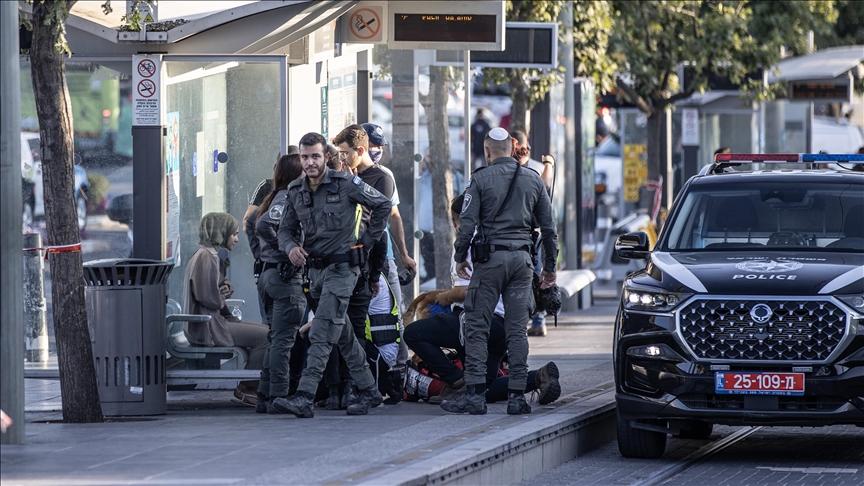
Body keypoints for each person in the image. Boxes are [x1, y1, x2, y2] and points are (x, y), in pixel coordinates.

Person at [271, 132, 391, 418]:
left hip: (343, 269)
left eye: (315, 156)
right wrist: (290, 248)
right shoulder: (296, 191)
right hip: (315, 271)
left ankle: (304, 395)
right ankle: (369, 390)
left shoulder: (346, 183)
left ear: (326, 156)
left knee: (323, 330)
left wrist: (368, 242)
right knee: (343, 333)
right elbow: (285, 230)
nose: (310, 162)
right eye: (304, 157)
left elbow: (383, 205)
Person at [404, 195, 561, 405]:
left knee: (413, 334)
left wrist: (445, 297)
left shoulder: (467, 242)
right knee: (481, 390)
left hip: (477, 323)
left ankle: (455, 381)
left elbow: (465, 292)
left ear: (454, 221)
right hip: (506, 326)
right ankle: (540, 377)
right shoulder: (501, 240)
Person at [446, 127, 558, 415]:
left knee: (477, 328)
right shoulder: (533, 180)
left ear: (486, 151)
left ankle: (474, 397)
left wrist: (460, 256)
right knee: (517, 331)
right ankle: (517, 397)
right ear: (512, 148)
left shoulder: (479, 180)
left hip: (490, 262)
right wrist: (550, 268)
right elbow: (549, 228)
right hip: (522, 263)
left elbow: (467, 225)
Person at [334, 124, 404, 404]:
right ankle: (348, 387)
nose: (340, 158)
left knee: (384, 323)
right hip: (344, 265)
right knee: (345, 327)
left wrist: (402, 255)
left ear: (358, 151)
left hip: (374, 262)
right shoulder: (340, 175)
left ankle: (392, 378)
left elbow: (383, 218)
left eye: (344, 153)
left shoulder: (380, 177)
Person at [184, 212, 269, 406]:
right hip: (207, 326)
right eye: (234, 234)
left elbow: (212, 291)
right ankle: (247, 387)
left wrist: (224, 288)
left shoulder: (208, 254)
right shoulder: (207, 256)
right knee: (265, 337)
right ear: (222, 232)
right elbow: (208, 297)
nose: (237, 239)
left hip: (212, 322)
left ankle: (253, 385)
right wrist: (223, 294)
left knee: (267, 333)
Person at [251, 153, 307, 413]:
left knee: (276, 340)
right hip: (283, 279)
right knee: (284, 341)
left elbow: (254, 222)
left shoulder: (275, 196)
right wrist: (288, 249)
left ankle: (265, 395)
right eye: (304, 169)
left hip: (270, 275)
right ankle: (278, 396)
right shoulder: (287, 196)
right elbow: (262, 225)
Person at [243, 145, 300, 323]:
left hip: (272, 270)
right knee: (281, 336)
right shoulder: (282, 195)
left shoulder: (281, 194)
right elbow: (256, 223)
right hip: (279, 272)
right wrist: (284, 249)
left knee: (275, 333)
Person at [511, 131, 555, 337]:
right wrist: (549, 165)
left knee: (534, 276)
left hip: (519, 238)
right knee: (536, 275)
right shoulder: (537, 169)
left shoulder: (498, 169)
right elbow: (545, 188)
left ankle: (535, 318)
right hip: (528, 236)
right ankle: (536, 318)